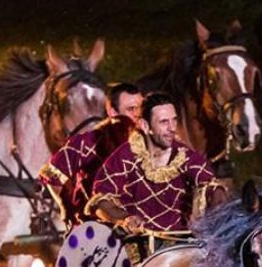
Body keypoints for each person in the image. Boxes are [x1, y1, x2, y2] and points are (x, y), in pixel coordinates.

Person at [86, 92, 231, 235]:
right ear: (145, 125)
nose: (172, 128)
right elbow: (100, 202)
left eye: (174, 120)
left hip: (181, 246)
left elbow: (209, 184)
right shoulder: (124, 157)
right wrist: (125, 218)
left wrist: (217, 196)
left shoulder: (186, 157)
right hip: (137, 247)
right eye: (164, 122)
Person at [40, 82, 144, 225]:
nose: (138, 114)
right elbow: (52, 176)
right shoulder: (87, 142)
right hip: (96, 231)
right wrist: (69, 211)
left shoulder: (153, 141)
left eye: (141, 108)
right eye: (131, 109)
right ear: (113, 113)